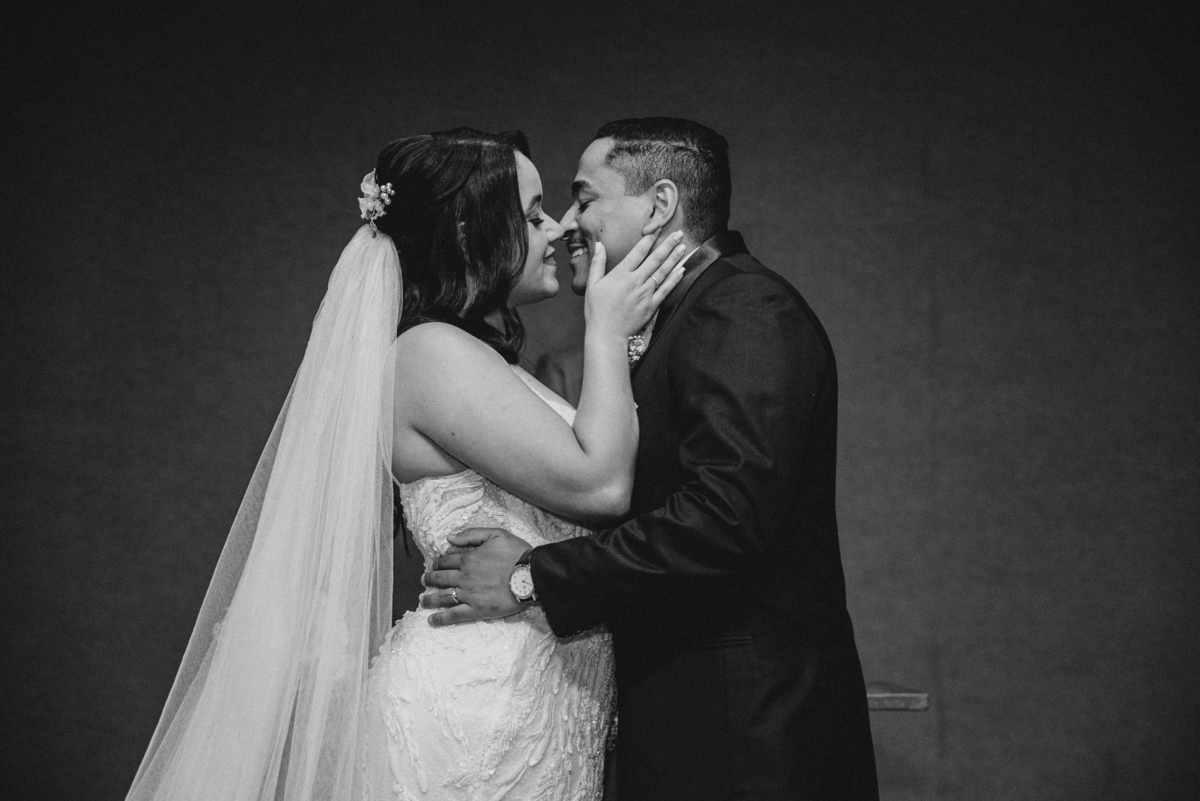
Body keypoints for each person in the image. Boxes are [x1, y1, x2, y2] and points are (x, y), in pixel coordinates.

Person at [125, 127, 686, 801]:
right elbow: (601, 485)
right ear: (469, 230)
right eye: (532, 213)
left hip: (536, 707)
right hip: (475, 716)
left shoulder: (476, 360)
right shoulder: (430, 353)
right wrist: (607, 329)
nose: (557, 229)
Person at [424, 118, 881, 800]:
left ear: (661, 205)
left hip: (746, 734)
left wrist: (530, 575)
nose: (568, 223)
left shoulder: (743, 307)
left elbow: (724, 520)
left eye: (585, 198)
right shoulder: (683, 317)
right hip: (691, 723)